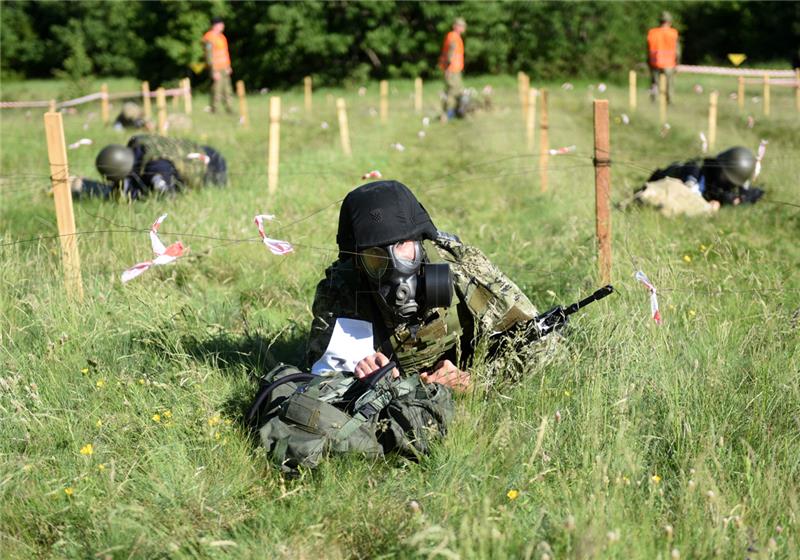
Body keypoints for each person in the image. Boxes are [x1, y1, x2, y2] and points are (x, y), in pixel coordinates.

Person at [72, 134, 227, 200]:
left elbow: (167, 196)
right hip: (201, 151)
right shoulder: (138, 149)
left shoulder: (156, 169)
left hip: (212, 165)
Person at [634, 146, 764, 216]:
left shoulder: (728, 187)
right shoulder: (695, 172)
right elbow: (690, 176)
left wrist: (737, 200)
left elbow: (755, 193)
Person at [202, 16, 233, 114]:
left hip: (224, 67)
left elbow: (225, 53)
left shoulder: (222, 37)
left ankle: (229, 109)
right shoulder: (209, 38)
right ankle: (214, 109)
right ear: (215, 25)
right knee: (217, 90)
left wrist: (228, 66)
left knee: (227, 90)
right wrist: (213, 71)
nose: (223, 26)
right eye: (221, 24)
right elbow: (209, 56)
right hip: (216, 68)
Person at [647, 11, 680, 104]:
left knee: (654, 83)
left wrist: (648, 61)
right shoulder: (673, 33)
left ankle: (653, 100)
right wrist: (677, 62)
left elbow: (648, 49)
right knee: (669, 84)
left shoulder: (652, 32)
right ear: (670, 22)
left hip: (655, 62)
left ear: (660, 21)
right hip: (669, 63)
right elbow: (677, 51)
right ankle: (669, 101)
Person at [438, 17, 466, 121]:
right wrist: (448, 68)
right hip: (452, 69)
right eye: (460, 25)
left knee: (456, 91)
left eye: (463, 25)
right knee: (452, 91)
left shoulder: (454, 36)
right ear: (455, 26)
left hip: (455, 69)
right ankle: (447, 114)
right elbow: (451, 51)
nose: (462, 27)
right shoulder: (453, 36)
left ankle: (456, 112)